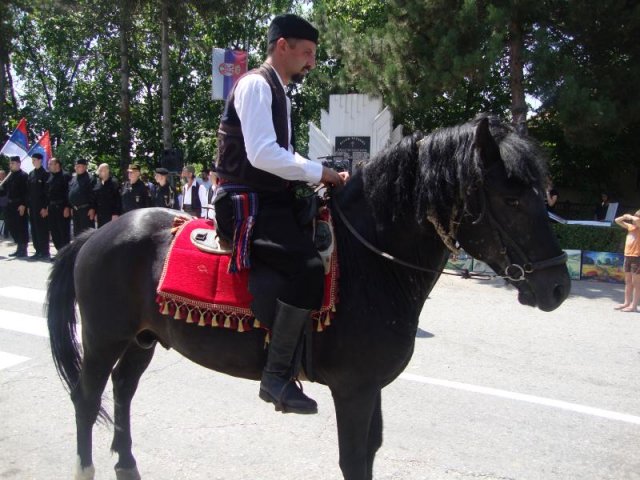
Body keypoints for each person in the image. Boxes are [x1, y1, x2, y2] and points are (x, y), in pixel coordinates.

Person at [215, 14, 348, 414]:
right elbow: (262, 154)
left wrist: (319, 176)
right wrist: (319, 172)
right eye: (306, 53)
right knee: (307, 267)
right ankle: (275, 376)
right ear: (282, 45)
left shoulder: (279, 91)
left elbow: (282, 156)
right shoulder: (256, 84)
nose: (311, 63)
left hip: (269, 198)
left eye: (314, 55)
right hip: (247, 204)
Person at [0, 156, 29, 257]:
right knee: (12, 226)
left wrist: (23, 205)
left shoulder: (24, 176)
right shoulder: (10, 175)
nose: (10, 165)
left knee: (21, 227)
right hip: (10, 204)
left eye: (12, 163)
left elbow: (26, 192)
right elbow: (5, 191)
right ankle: (18, 247)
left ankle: (23, 249)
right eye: (10, 163)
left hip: (19, 204)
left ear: (18, 164)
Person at [614, 210, 640, 312]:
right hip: (628, 256)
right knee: (628, 282)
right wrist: (625, 217)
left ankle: (634, 306)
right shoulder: (631, 227)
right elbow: (617, 220)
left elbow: (637, 220)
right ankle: (626, 302)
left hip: (637, 257)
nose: (635, 218)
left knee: (636, 283)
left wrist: (630, 217)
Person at [27, 152, 51, 260]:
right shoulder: (31, 174)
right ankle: (37, 250)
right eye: (32, 160)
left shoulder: (45, 174)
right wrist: (28, 206)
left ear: (40, 160)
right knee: (34, 229)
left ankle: (44, 251)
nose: (33, 162)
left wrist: (45, 207)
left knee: (42, 229)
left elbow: (47, 192)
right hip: (32, 206)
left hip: (41, 206)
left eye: (35, 160)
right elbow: (29, 191)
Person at [46, 157, 71, 251]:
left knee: (63, 231)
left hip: (62, 207)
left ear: (57, 165)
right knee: (54, 231)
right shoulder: (50, 176)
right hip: (52, 207)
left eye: (50, 164)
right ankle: (59, 252)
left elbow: (68, 192)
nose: (48, 166)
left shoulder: (65, 176)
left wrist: (67, 207)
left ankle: (65, 253)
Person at [68, 158, 96, 236]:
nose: (76, 168)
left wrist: (92, 208)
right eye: (76, 166)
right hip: (75, 210)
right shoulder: (73, 179)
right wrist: (71, 207)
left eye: (79, 166)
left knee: (86, 234)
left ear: (85, 167)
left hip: (86, 210)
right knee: (77, 234)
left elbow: (93, 194)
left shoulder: (90, 178)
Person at [93, 163, 121, 227]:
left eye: (101, 171)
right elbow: (96, 199)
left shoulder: (114, 183)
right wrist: (96, 213)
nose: (99, 173)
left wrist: (115, 214)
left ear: (107, 171)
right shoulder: (98, 183)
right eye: (99, 171)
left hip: (111, 216)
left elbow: (118, 200)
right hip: (100, 215)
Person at [0, 169, 9, 238]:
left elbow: (6, 192)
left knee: (6, 218)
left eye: (2, 174)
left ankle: (6, 233)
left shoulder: (7, 182)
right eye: (0, 174)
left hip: (4, 202)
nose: (1, 176)